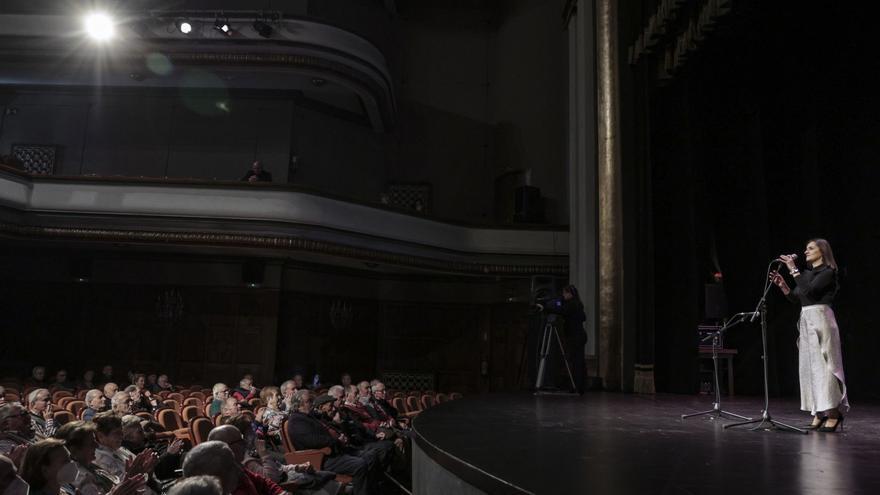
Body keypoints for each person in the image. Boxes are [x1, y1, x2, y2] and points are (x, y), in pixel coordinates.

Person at [770, 238, 849, 432]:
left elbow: (809, 290)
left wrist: (792, 269)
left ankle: (833, 413)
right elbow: (798, 297)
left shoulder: (828, 272)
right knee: (810, 368)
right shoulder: (807, 273)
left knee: (825, 366)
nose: (806, 251)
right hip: (806, 319)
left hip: (822, 319)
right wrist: (784, 287)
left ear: (822, 252)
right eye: (806, 248)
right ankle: (818, 413)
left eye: (811, 248)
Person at [536, 285, 588, 394]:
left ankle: (577, 386)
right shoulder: (576, 304)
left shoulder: (573, 304)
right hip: (578, 336)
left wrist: (545, 308)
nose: (563, 296)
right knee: (578, 361)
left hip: (576, 336)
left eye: (565, 293)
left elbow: (562, 311)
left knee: (576, 362)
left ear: (570, 294)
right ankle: (579, 386)